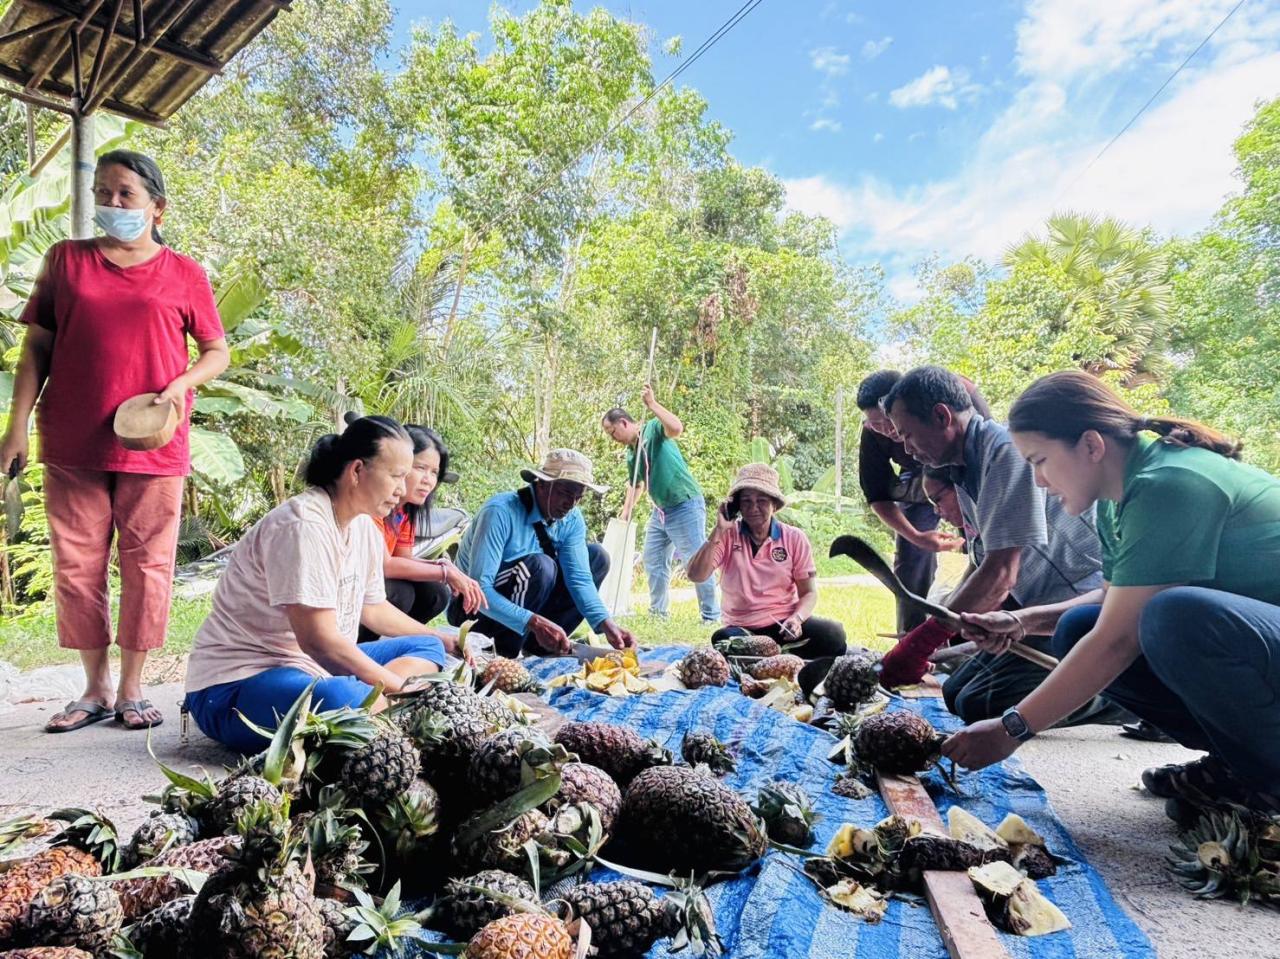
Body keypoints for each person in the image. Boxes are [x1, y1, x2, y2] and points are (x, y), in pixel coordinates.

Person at [944, 371, 1280, 822]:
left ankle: (1269, 779)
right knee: (1075, 628)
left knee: (1173, 616)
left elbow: (1119, 640)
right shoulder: (1115, 499)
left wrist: (1012, 728)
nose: (1039, 481)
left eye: (1040, 460)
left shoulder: (1170, 483)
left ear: (1091, 445)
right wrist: (1024, 621)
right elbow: (1112, 599)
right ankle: (1237, 766)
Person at [0, 150, 230, 733]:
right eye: (103, 193)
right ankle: (95, 688)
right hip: (71, 439)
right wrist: (16, 425)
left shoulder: (185, 273)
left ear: (157, 207)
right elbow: (37, 350)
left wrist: (180, 383)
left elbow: (216, 351)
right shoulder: (65, 262)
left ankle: (133, 688)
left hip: (154, 441)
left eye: (126, 194)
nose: (112, 204)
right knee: (77, 566)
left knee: (148, 565)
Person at [184, 417, 455, 753]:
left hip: (313, 670)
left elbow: (373, 608)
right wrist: (397, 686)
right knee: (340, 697)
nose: (403, 489)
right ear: (357, 471)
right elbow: (320, 642)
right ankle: (384, 708)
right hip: (236, 685)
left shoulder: (365, 529)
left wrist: (442, 638)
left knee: (427, 647)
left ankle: (377, 708)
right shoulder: (303, 525)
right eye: (397, 476)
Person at [880, 366, 1124, 727]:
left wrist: (925, 639)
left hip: (1074, 608)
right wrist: (949, 622)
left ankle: (1121, 696)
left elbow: (1001, 574)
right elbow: (982, 564)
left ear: (941, 416)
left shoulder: (1004, 451)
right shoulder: (966, 467)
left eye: (908, 435)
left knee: (982, 704)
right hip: (1034, 611)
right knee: (954, 693)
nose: (907, 449)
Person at [451, 448, 636, 657]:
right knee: (541, 566)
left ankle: (544, 644)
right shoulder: (499, 512)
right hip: (473, 609)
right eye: (565, 493)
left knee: (597, 557)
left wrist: (605, 623)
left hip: (527, 598)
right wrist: (533, 621)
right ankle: (504, 650)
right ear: (541, 484)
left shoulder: (572, 519)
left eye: (578, 497)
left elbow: (580, 578)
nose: (571, 504)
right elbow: (481, 588)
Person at [855, 370, 991, 633]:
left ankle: (978, 629)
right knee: (911, 560)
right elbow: (877, 495)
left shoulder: (959, 400)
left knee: (984, 549)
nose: (888, 432)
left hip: (959, 470)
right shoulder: (874, 432)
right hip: (915, 483)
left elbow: (986, 455)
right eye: (876, 426)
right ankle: (911, 637)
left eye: (889, 422)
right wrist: (916, 536)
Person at [688, 464, 847, 660]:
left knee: (834, 634)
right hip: (744, 630)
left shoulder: (794, 538)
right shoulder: (727, 535)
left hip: (784, 627)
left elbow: (809, 593)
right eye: (746, 501)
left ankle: (769, 658)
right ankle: (778, 658)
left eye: (761, 500)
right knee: (723, 639)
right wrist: (718, 530)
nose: (753, 508)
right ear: (736, 506)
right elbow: (696, 575)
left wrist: (796, 619)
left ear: (774, 504)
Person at [602, 384, 720, 624]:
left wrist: (652, 405)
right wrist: (626, 511)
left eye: (612, 432)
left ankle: (711, 616)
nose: (612, 438)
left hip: (684, 504)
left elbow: (676, 428)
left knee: (695, 561)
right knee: (652, 558)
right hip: (661, 510)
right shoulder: (631, 453)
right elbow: (636, 484)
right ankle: (658, 613)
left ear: (624, 423)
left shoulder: (653, 430)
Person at [360, 423, 484, 642]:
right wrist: (446, 572)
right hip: (357, 589)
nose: (428, 480)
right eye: (420, 468)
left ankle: (400, 642)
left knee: (435, 592)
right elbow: (385, 565)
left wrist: (446, 568)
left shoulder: (404, 510)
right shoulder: (371, 504)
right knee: (399, 592)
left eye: (434, 472)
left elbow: (404, 560)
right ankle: (363, 646)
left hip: (372, 583)